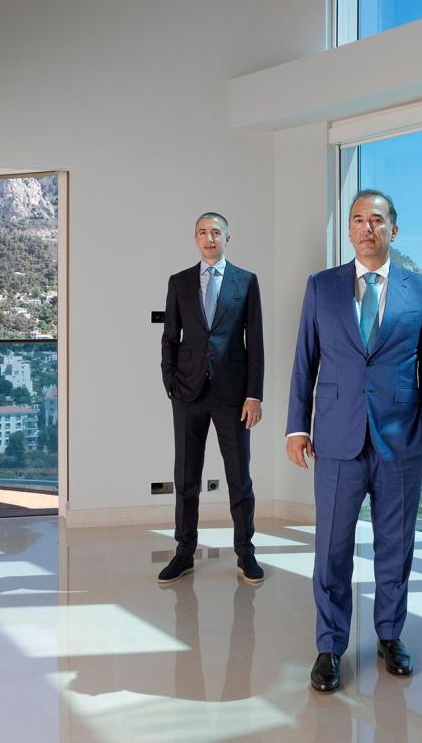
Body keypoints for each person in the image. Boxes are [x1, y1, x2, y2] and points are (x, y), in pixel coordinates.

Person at [285, 189, 422, 693]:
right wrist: (297, 426)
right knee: (332, 546)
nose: (367, 228)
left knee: (395, 547)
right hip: (336, 436)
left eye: (376, 220)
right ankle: (330, 646)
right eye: (358, 220)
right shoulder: (322, 287)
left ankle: (390, 636)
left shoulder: (421, 290)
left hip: (401, 439)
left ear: (393, 230)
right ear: (349, 230)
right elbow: (304, 360)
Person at [159, 212, 265, 585]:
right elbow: (170, 337)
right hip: (187, 394)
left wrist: (254, 395)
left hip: (233, 396)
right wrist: (169, 381)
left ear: (227, 239)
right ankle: (184, 553)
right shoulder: (179, 282)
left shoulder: (246, 282)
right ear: (195, 238)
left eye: (215, 232)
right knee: (186, 478)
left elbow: (256, 344)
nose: (209, 238)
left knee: (239, 477)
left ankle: (245, 554)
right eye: (202, 232)